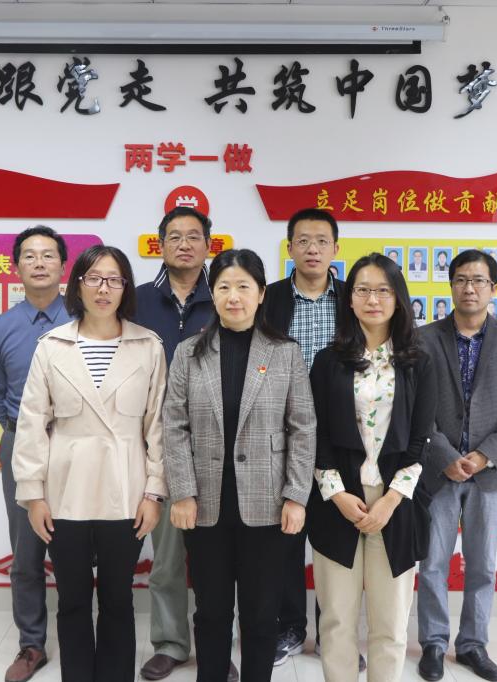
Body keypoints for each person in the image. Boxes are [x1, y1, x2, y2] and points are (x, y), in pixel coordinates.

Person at [12, 245, 167, 682]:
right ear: (77, 285)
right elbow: (31, 424)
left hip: (127, 491)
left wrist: (154, 492)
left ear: (125, 288)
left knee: (118, 600)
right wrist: (33, 496)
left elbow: (158, 426)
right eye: (94, 278)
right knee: (74, 600)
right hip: (66, 493)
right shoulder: (52, 346)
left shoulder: (147, 346)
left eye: (114, 279)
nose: (104, 288)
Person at [164, 249, 316, 682]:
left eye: (243, 287)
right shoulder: (189, 353)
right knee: (210, 612)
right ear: (212, 294)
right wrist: (183, 493)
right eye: (224, 287)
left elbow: (303, 427)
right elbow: (174, 425)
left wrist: (296, 497)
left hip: (267, 507)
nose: (234, 297)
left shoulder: (285, 353)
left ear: (261, 293)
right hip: (204, 506)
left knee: (261, 613)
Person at [308, 253, 436, 682]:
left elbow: (421, 439)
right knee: (336, 622)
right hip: (337, 501)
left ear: (398, 299)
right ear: (349, 299)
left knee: (390, 624)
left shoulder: (419, 362)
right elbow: (315, 433)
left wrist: (391, 500)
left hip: (396, 504)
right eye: (362, 290)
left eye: (383, 290)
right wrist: (337, 494)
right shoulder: (328, 361)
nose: (373, 299)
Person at [416, 250, 497, 682]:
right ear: (451, 285)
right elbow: (416, 407)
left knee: (482, 564)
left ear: (493, 288)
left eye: (479, 280)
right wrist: (445, 456)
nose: (470, 288)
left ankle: (472, 645)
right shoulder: (424, 339)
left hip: (490, 473)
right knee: (433, 562)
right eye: (462, 279)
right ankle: (433, 643)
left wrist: (484, 455)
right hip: (439, 470)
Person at [134, 207, 227, 681]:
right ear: (160, 244)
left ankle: (216, 647)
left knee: (215, 560)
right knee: (167, 558)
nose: (185, 244)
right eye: (175, 236)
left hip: (217, 446)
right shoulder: (137, 301)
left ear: (209, 245)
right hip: (157, 445)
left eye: (194, 236)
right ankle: (170, 643)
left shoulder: (226, 296)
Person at [262, 208, 355, 668]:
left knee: (335, 537)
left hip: (342, 434)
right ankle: (290, 628)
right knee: (285, 535)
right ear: (290, 248)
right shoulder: (270, 298)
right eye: (303, 240)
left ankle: (335, 633)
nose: (312, 249)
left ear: (336, 248)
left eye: (321, 241)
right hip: (283, 432)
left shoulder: (355, 298)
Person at [0, 226, 72, 682]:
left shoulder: (85, 319)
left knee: (78, 546)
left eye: (48, 255)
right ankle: (31, 645)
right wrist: (26, 433)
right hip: (21, 443)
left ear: (63, 265)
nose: (39, 263)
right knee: (26, 550)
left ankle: (80, 640)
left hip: (78, 445)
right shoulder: (0, 327)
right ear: (16, 266)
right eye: (30, 256)